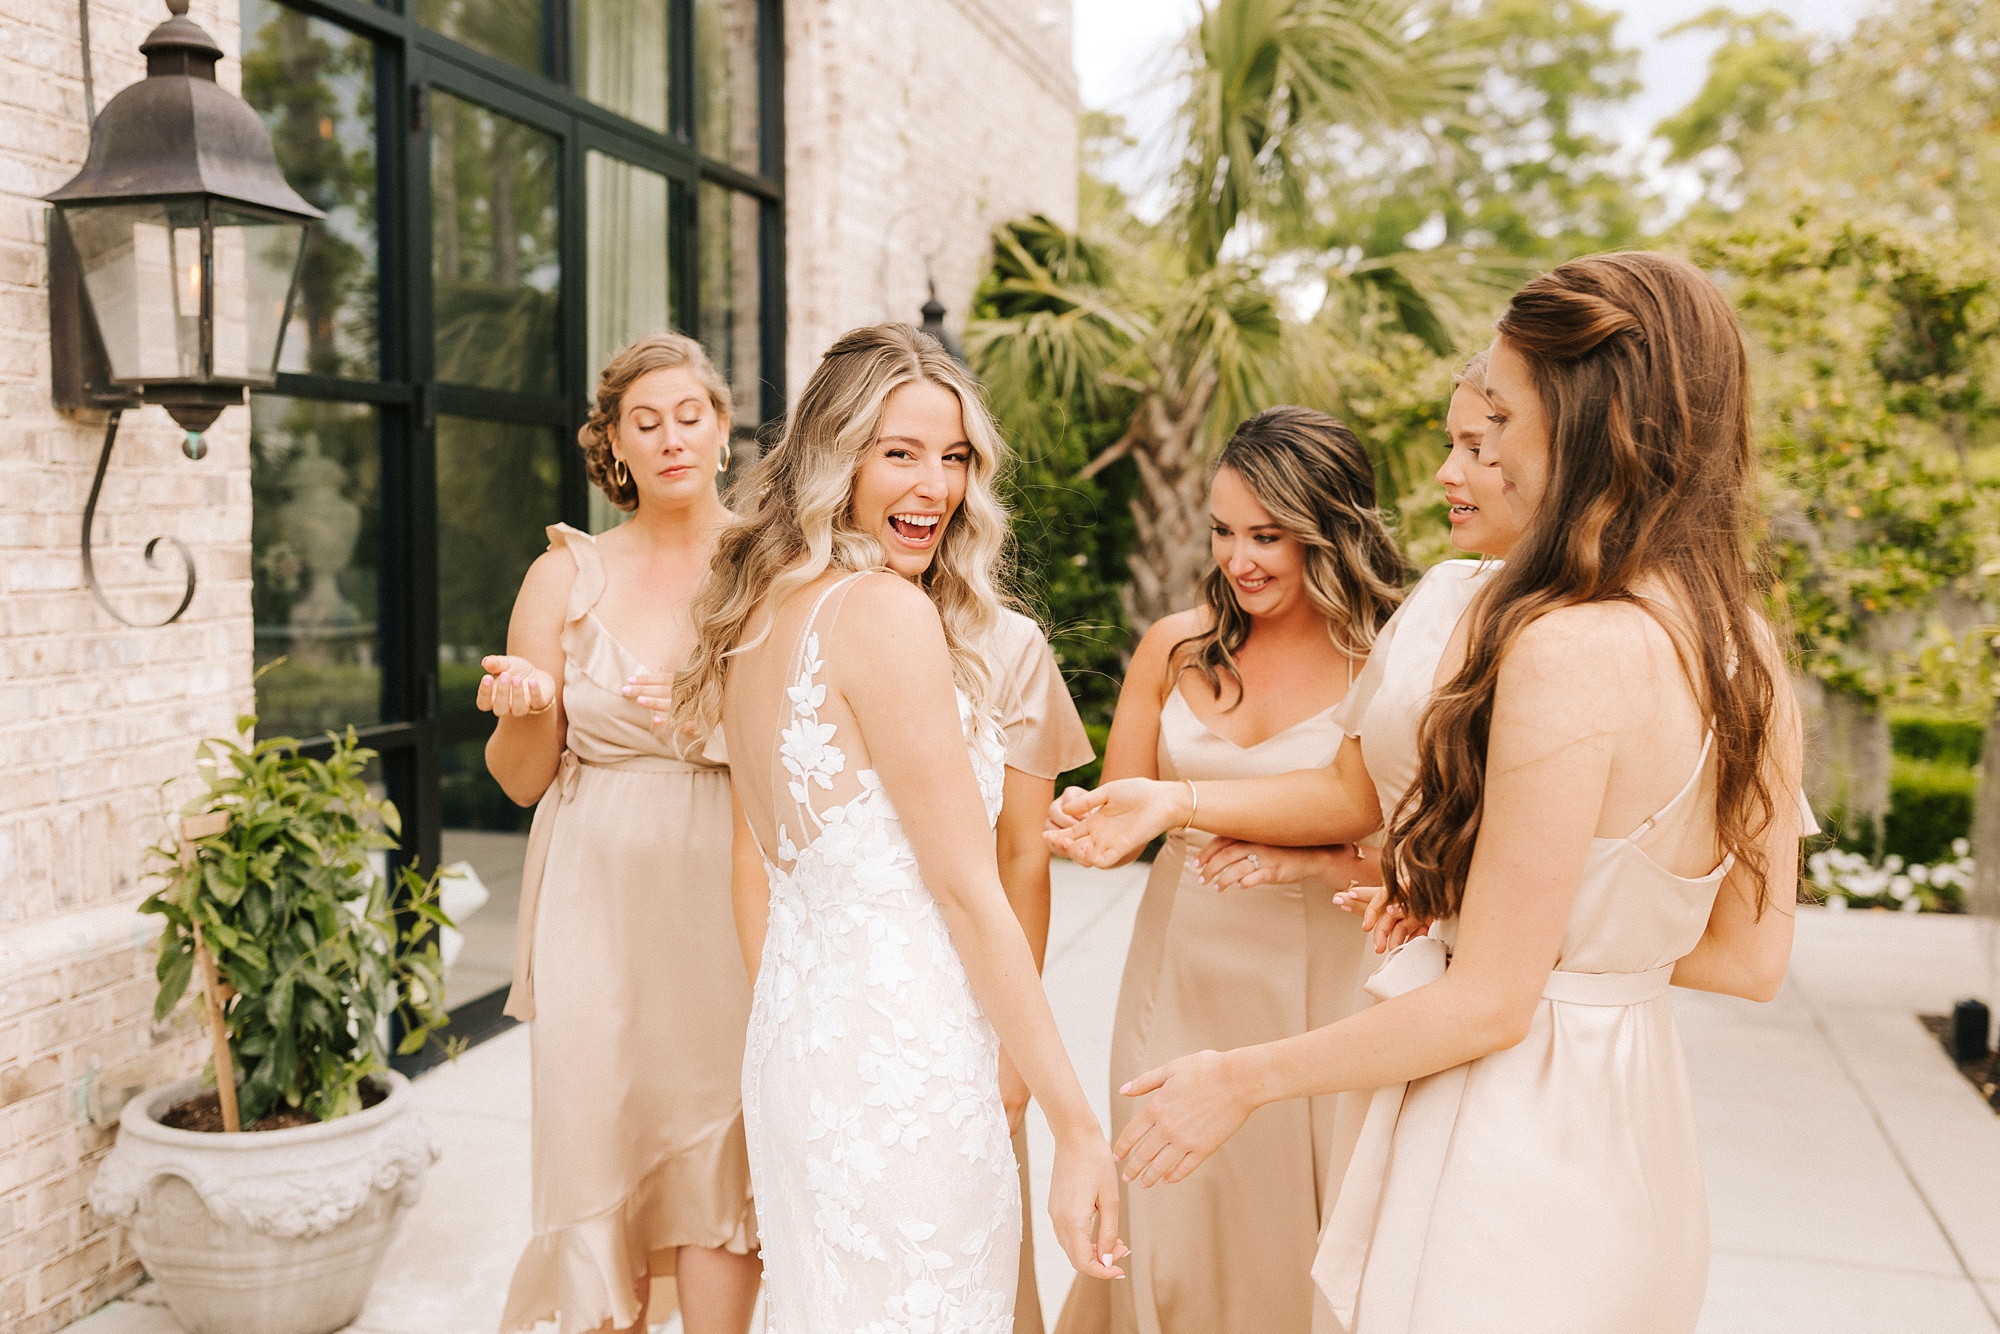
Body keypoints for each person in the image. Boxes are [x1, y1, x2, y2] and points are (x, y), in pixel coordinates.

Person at [1068, 252, 1807, 1333]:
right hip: (1635, 1139)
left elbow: (1488, 1000)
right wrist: (1478, 897)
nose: (1462, 459)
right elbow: (1746, 956)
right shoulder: (1743, 648)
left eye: (1493, 422)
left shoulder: (1561, 648)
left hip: (1505, 1142)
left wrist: (1237, 1078)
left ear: (1589, 425)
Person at [669, 323, 1125, 1332]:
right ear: (838, 457)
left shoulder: (756, 612)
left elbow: (766, 864)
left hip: (806, 1043)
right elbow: (969, 889)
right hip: (903, 1056)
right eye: (900, 452)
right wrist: (1075, 1123)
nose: (935, 485)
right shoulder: (881, 612)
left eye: (953, 456)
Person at [1052, 407, 1405, 1334]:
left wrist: (1315, 854)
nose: (1239, 558)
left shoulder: (1387, 658)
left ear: (1330, 530)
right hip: (1179, 968)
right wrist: (1086, 821)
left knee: (1293, 1231)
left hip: (1324, 981)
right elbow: (1129, 804)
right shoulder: (1174, 646)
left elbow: (1385, 825)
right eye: (1222, 531)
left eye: (1268, 535)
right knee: (1168, 1211)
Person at [490, 333, 762, 1334]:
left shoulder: (770, 567)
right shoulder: (563, 575)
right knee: (597, 1125)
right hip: (592, 900)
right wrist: (526, 714)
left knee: (717, 1137)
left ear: (721, 428)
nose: (670, 437)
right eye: (644, 422)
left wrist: (717, 725)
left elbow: (819, 745)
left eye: (688, 414)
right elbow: (522, 781)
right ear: (612, 444)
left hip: (731, 889)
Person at [988, 608, 1098, 1334]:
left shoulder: (1008, 645)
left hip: (969, 997)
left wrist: (1014, 1060)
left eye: (958, 479)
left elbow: (1022, 855)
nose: (933, 486)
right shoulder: (783, 620)